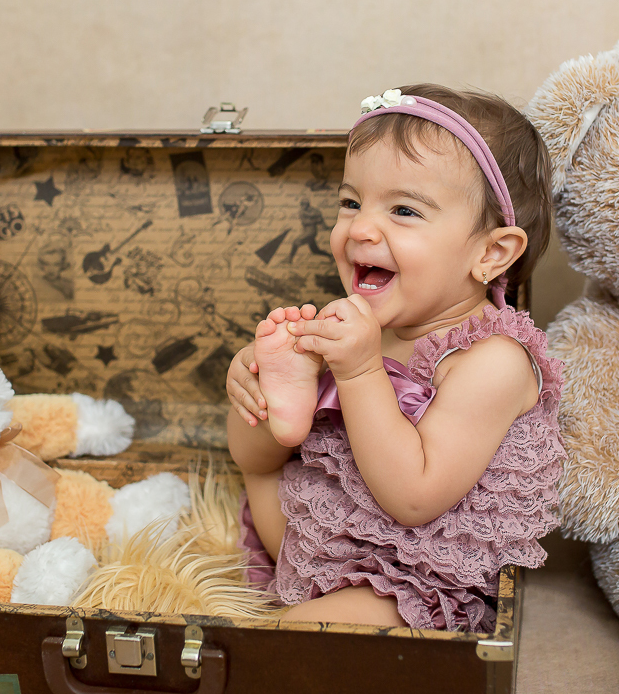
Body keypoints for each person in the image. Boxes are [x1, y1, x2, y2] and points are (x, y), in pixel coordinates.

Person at [224, 84, 564, 631]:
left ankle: (283, 632)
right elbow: (257, 462)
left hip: (406, 574)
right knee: (258, 471)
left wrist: (359, 373)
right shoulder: (360, 325)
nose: (359, 227)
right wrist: (260, 387)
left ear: (490, 253)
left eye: (404, 210)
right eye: (351, 202)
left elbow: (414, 500)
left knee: (295, 638)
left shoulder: (492, 361)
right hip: (308, 534)